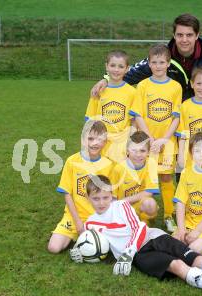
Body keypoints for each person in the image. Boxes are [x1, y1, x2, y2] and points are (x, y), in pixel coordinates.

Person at [70, 174, 202, 296]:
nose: (101, 202)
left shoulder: (121, 206)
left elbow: (138, 228)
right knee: (176, 266)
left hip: (152, 237)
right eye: (96, 198)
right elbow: (92, 244)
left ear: (112, 195)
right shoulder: (90, 224)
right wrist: (79, 252)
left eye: (105, 197)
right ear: (88, 198)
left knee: (191, 256)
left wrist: (127, 252)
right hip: (140, 256)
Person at [90, 13, 202, 104]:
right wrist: (106, 79)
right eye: (180, 35)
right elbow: (131, 72)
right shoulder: (163, 55)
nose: (184, 40)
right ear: (174, 35)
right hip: (172, 108)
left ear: (197, 35)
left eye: (189, 35)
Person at [47, 120, 124, 254]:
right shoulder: (72, 161)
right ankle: (79, 236)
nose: (95, 143)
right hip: (74, 216)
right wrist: (77, 222)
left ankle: (86, 238)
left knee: (114, 247)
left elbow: (112, 198)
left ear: (105, 142)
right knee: (53, 248)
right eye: (90, 138)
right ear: (83, 139)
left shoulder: (109, 165)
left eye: (100, 139)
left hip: (99, 217)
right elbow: (67, 194)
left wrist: (110, 221)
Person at [129, 44, 182, 232]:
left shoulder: (175, 87)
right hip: (145, 142)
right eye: (154, 62)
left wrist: (165, 139)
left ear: (168, 63)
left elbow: (176, 117)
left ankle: (168, 215)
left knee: (166, 177)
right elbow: (138, 115)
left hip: (167, 142)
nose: (158, 66)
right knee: (143, 177)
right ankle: (145, 215)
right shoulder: (143, 86)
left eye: (162, 62)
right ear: (149, 64)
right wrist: (150, 139)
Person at [85, 50, 136, 163]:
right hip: (101, 141)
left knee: (120, 175)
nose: (116, 70)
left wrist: (131, 141)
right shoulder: (98, 90)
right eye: (112, 65)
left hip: (122, 142)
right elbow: (90, 120)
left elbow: (134, 121)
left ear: (127, 68)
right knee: (102, 176)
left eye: (121, 66)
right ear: (106, 66)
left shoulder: (132, 92)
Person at [117, 131, 159, 225]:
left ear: (148, 152)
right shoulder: (119, 168)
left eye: (142, 150)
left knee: (150, 204)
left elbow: (149, 192)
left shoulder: (151, 163)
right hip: (121, 206)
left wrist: (124, 201)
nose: (138, 154)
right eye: (134, 150)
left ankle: (144, 219)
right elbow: (112, 195)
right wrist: (117, 206)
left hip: (136, 203)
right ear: (127, 151)